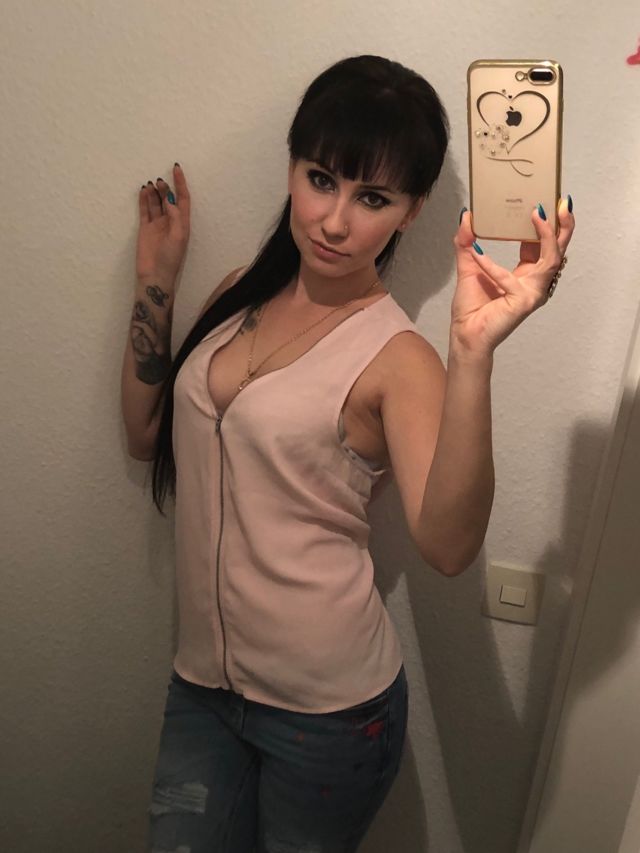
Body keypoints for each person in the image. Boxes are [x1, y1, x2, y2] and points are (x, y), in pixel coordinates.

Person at [121, 54, 575, 853]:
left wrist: (472, 354)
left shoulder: (398, 358)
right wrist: (157, 281)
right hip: (200, 687)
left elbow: (448, 546)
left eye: (373, 197)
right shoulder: (236, 293)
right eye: (321, 179)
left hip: (328, 717)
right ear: (292, 169)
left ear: (411, 211)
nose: (334, 221)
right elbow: (144, 434)